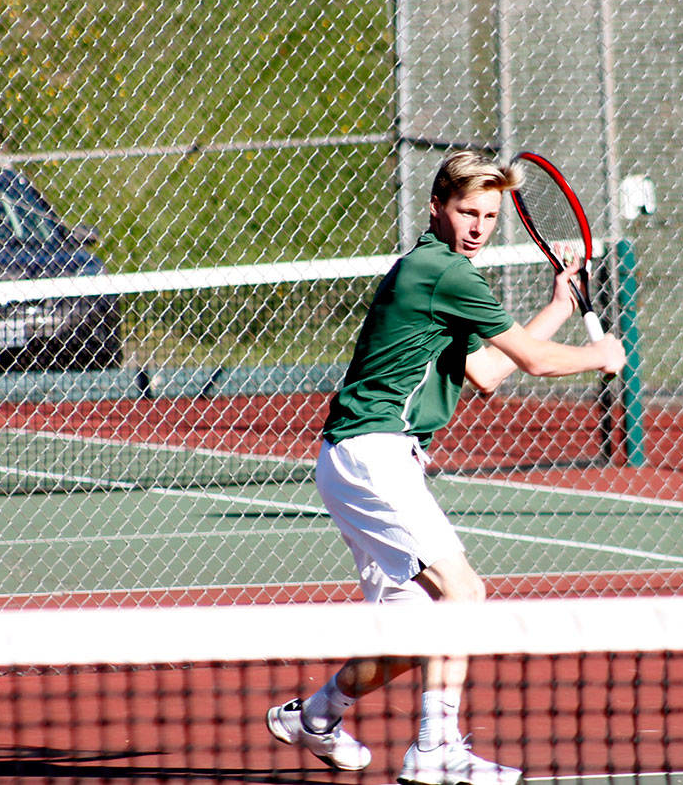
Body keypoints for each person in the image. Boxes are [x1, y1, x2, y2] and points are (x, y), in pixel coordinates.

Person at [266, 150, 626, 785]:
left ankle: (316, 716)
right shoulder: (445, 275)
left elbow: (488, 371)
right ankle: (435, 749)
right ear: (437, 207)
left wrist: (561, 310)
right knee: (464, 592)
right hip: (372, 454)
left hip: (360, 459)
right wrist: (597, 355)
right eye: (467, 211)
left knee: (421, 633)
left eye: (490, 215)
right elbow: (538, 364)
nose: (479, 225)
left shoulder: (444, 278)